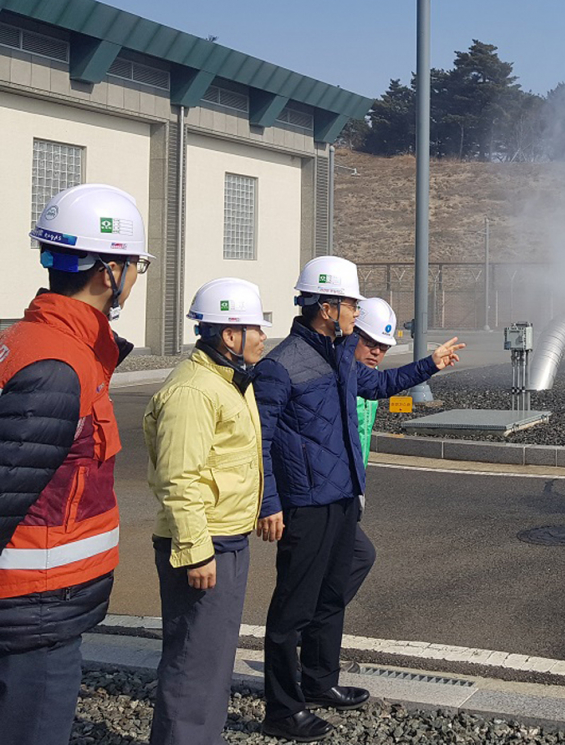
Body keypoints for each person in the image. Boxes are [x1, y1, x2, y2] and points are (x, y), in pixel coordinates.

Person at [255, 256, 464, 742]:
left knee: (331, 594)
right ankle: (283, 710)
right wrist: (269, 503)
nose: (356, 310)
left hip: (344, 496)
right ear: (326, 306)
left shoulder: (341, 354)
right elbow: (258, 442)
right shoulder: (281, 366)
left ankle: (320, 682)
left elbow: (381, 384)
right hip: (305, 504)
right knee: (292, 610)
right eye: (350, 302)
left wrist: (430, 364)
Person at [0, 184, 151, 745]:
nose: (134, 277)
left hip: (38, 602)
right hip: (35, 606)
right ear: (108, 271)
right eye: (133, 265)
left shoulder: (30, 341)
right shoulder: (60, 367)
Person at [144, 278, 272, 745]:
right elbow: (180, 478)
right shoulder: (194, 392)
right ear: (228, 336)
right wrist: (196, 551)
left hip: (226, 538)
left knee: (214, 658)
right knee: (193, 662)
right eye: (255, 328)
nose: (262, 337)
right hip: (204, 544)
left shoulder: (231, 380)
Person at [342, 297, 400, 606]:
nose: (377, 352)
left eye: (384, 346)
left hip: (349, 491)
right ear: (352, 334)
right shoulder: (337, 377)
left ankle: (314, 644)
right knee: (358, 557)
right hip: (325, 497)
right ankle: (304, 640)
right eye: (370, 342)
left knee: (341, 567)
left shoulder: (367, 383)